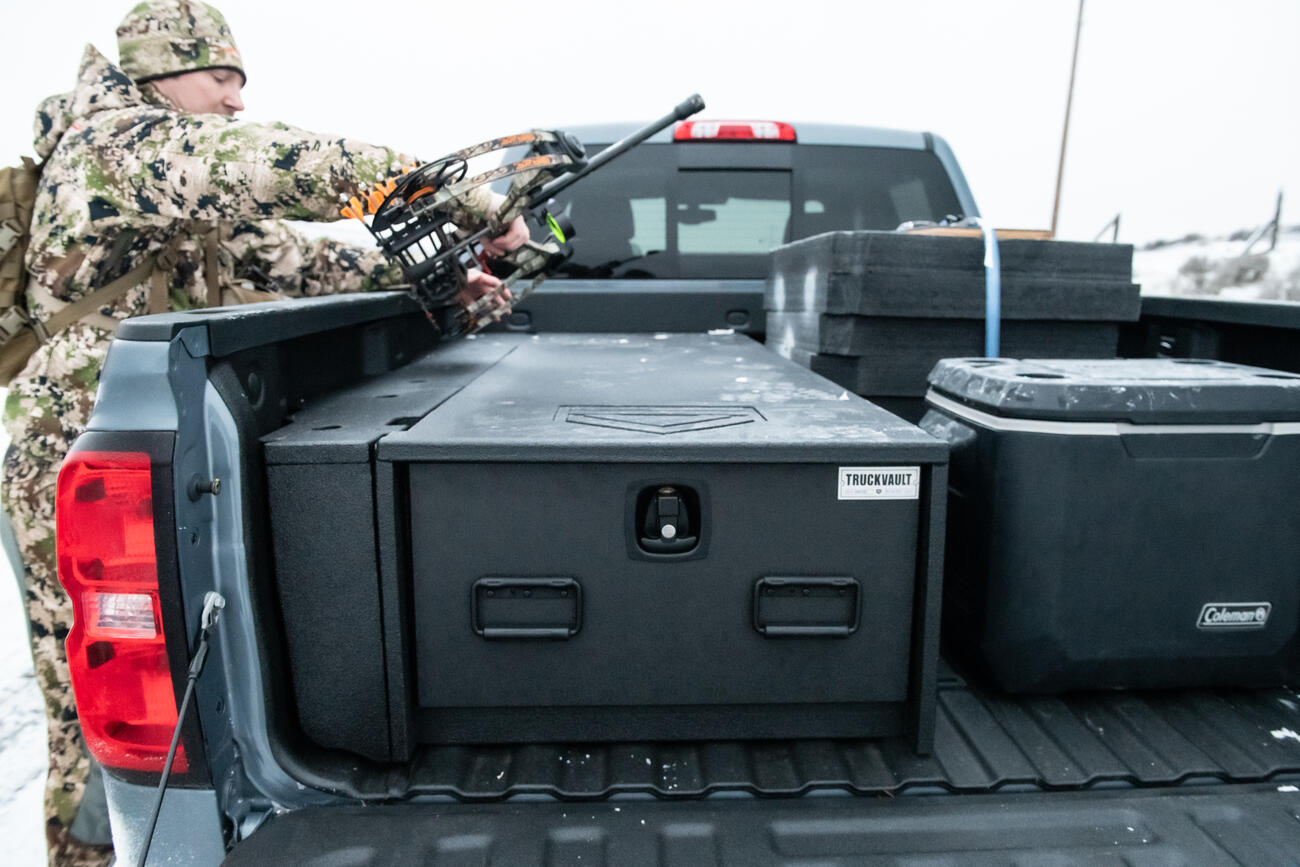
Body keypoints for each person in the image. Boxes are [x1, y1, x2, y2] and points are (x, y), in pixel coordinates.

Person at [2, 2, 526, 864]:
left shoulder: (166, 184)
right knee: (109, 732)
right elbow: (285, 165)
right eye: (221, 79)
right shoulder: (121, 146)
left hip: (140, 458)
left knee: (162, 706)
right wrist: (456, 194)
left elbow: (306, 260)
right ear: (162, 70)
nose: (237, 101)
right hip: (85, 472)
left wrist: (452, 268)